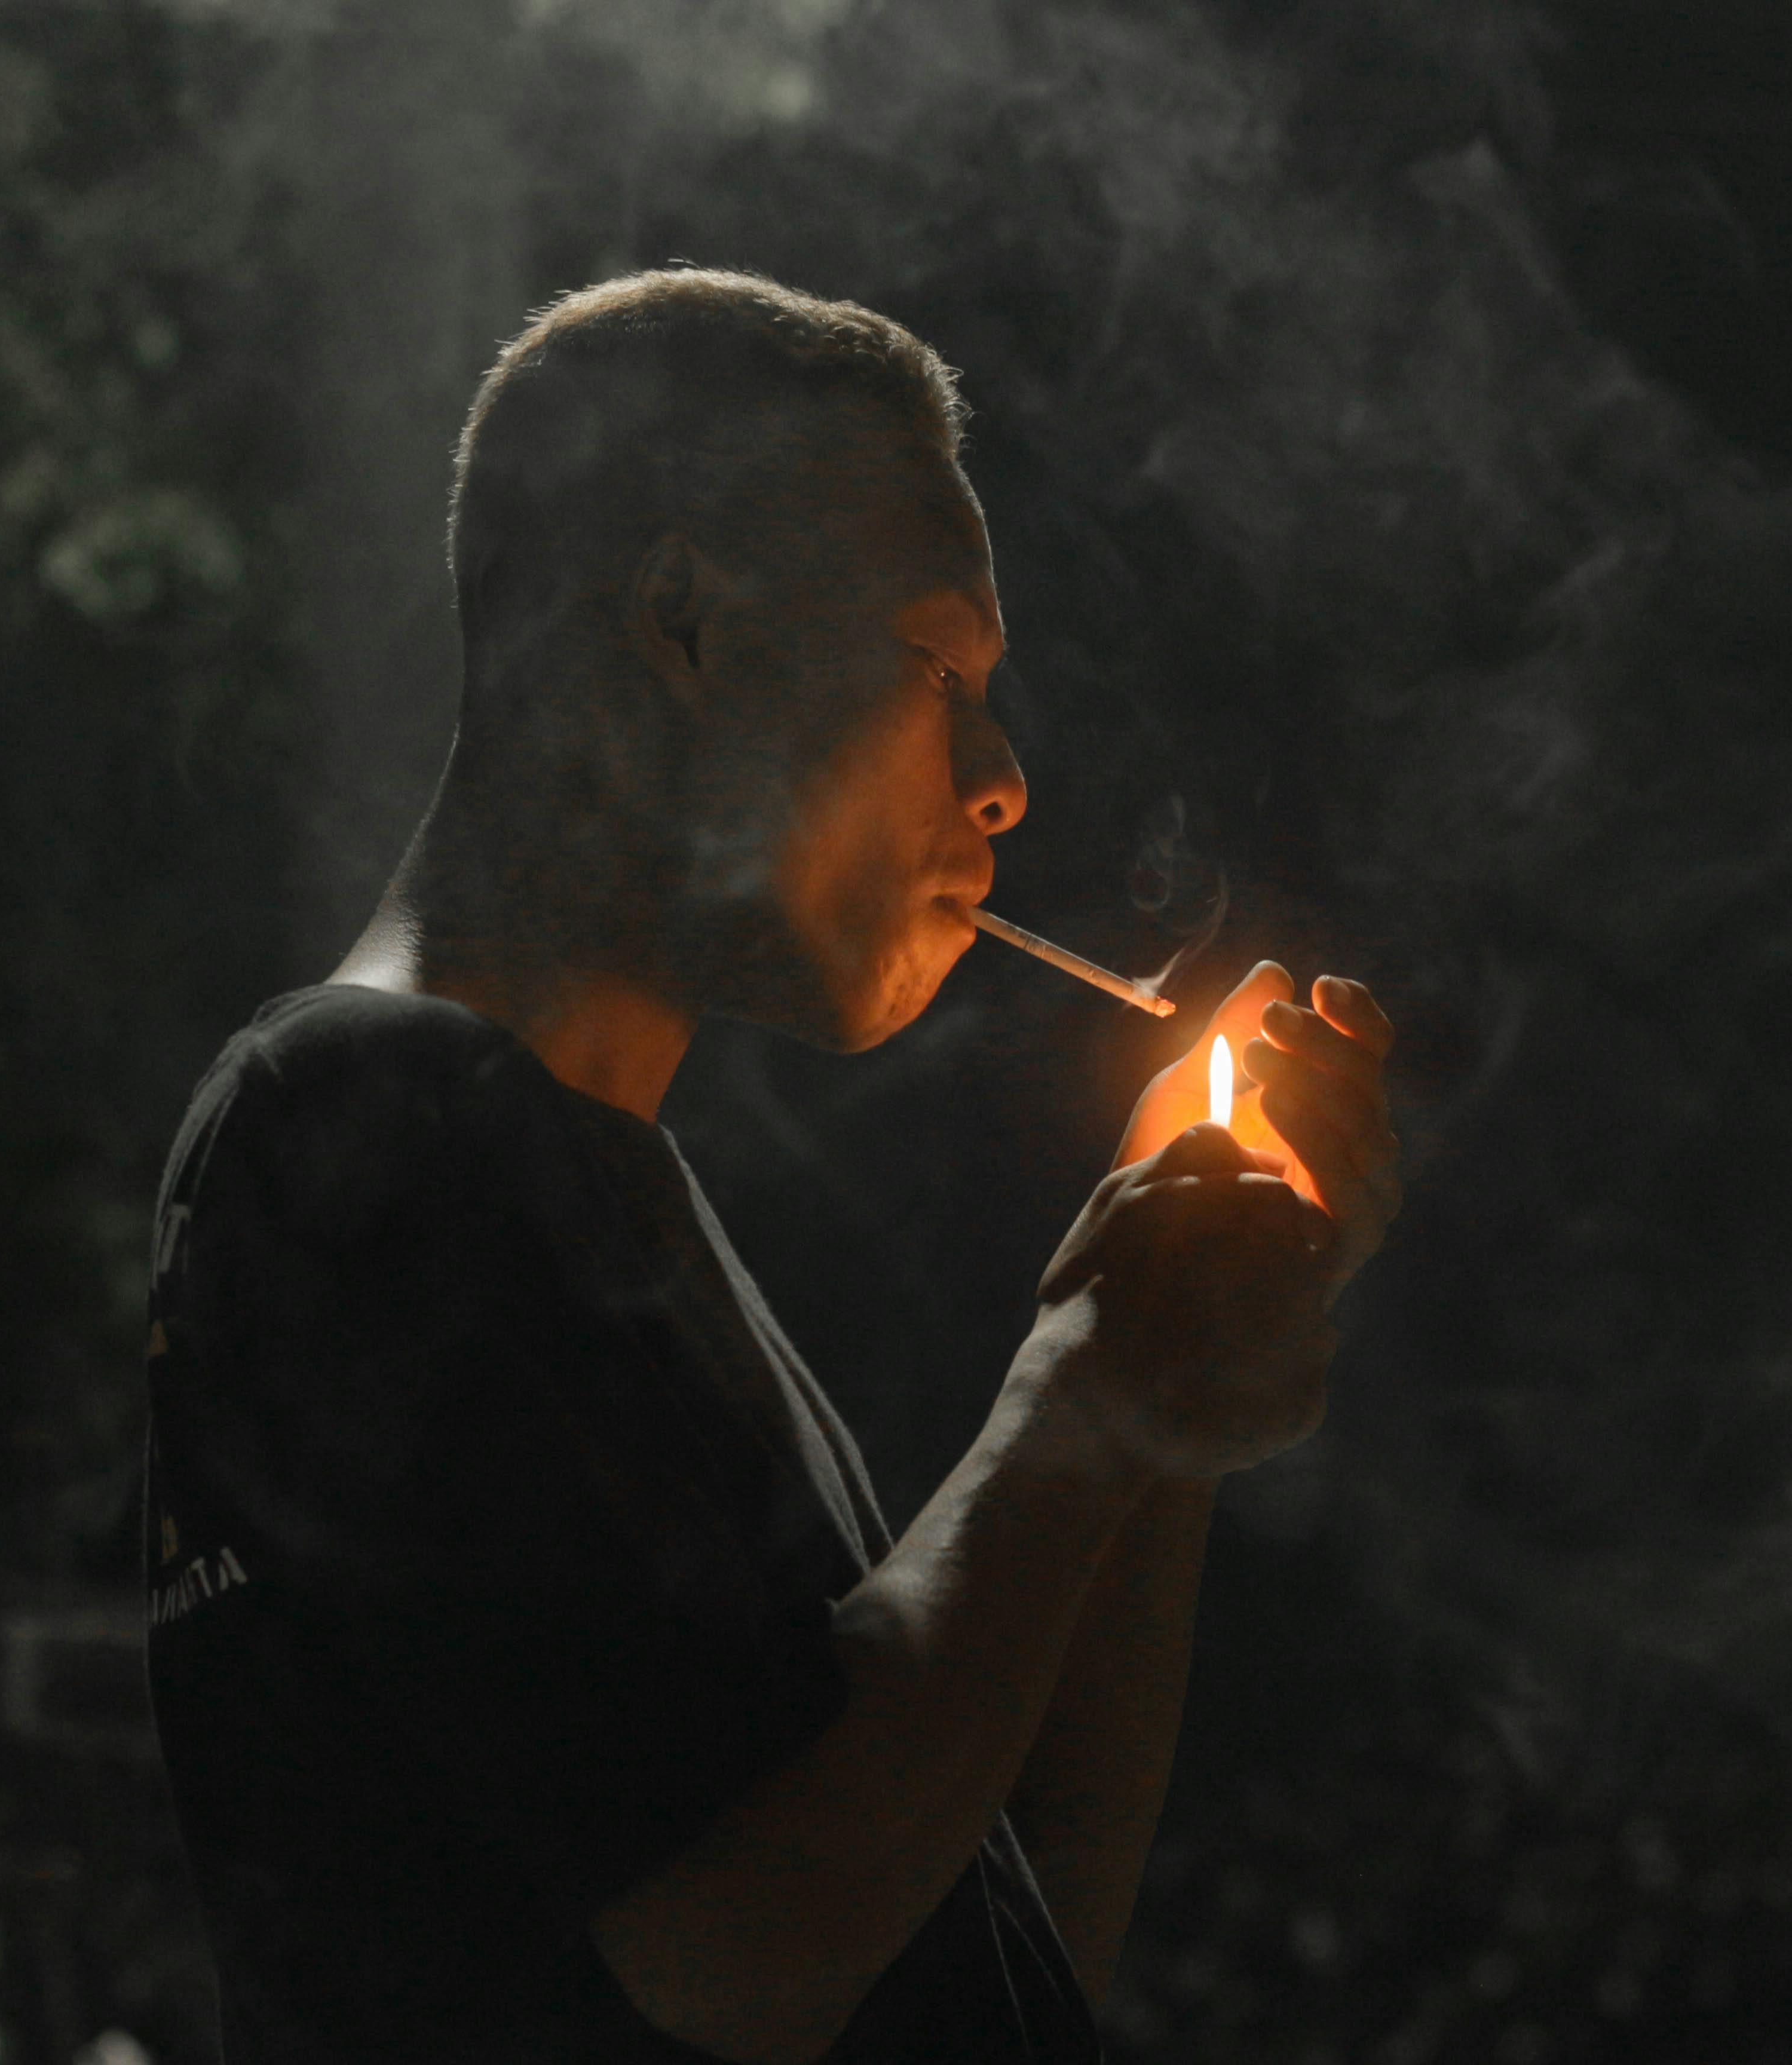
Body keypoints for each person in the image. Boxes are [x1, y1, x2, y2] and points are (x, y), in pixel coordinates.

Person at [140, 268, 1402, 2065]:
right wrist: (1086, 1393)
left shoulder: (579, 1188)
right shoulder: (359, 1121)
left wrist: (1166, 1406)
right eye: (943, 667)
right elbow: (734, 1956)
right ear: (686, 625)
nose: (1006, 781)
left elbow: (988, 1918)